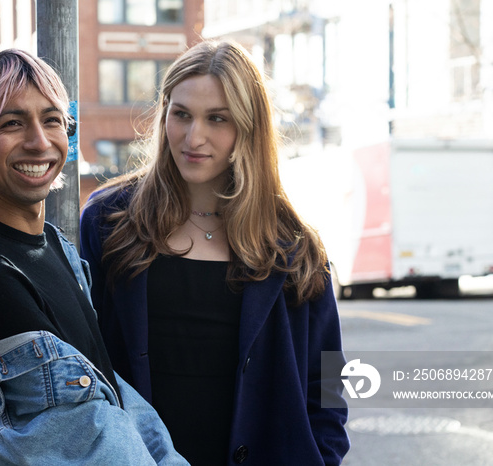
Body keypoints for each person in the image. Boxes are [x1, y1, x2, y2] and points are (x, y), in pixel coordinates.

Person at [80, 40, 350, 465]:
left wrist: (324, 452)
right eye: (182, 114)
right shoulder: (109, 221)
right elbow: (79, 362)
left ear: (247, 127)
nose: (194, 136)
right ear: (164, 112)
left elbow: (330, 377)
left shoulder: (293, 246)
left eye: (217, 119)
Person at [0, 49, 188, 465]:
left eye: (52, 120)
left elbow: (113, 394)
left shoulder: (55, 245)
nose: (39, 141)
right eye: (12, 123)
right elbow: (89, 440)